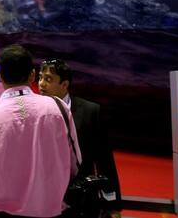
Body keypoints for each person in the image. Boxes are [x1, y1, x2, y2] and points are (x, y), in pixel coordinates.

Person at [0, 44, 81, 218]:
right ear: (33, 75)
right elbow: (74, 163)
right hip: (53, 212)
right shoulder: (59, 108)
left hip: (4, 214)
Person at [38, 59, 121, 218]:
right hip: (43, 198)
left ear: (64, 84)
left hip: (81, 201)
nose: (41, 84)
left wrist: (113, 205)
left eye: (48, 79)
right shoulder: (33, 112)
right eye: (40, 77)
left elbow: (105, 160)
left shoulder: (90, 111)